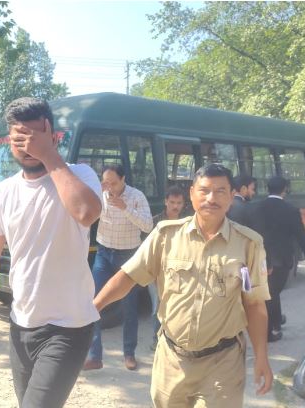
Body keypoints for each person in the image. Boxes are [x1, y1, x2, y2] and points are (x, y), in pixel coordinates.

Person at [0, 97, 102, 408]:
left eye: (35, 136)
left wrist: (48, 154)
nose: (28, 146)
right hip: (21, 325)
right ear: (9, 141)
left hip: (68, 326)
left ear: (52, 135)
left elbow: (86, 213)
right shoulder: (3, 192)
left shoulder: (80, 175)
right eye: (20, 138)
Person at [91, 163, 272, 407]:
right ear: (192, 194)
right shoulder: (166, 235)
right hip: (172, 360)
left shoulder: (249, 245)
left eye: (220, 191)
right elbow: (128, 276)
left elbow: (254, 304)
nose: (211, 198)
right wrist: (92, 309)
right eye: (204, 190)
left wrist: (262, 357)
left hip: (223, 363)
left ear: (231, 196)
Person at [83, 164, 152, 372]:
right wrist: (97, 193)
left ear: (123, 179)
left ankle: (129, 354)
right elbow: (86, 214)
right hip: (104, 253)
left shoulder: (136, 196)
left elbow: (148, 226)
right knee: (93, 303)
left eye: (113, 183)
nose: (109, 187)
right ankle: (94, 355)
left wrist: (125, 208)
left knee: (129, 307)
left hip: (128, 256)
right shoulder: (100, 194)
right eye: (106, 182)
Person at [254, 176, 305, 342]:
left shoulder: (257, 207)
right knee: (272, 292)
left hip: (261, 256)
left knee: (271, 291)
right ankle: (270, 329)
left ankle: (277, 320)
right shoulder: (290, 209)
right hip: (282, 257)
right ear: (284, 190)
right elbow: (300, 233)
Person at [147, 185, 186, 351]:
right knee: (158, 306)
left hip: (180, 270)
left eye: (179, 203)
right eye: (172, 202)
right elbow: (148, 249)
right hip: (157, 270)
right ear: (165, 202)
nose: (175, 206)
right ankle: (156, 340)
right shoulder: (155, 222)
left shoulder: (187, 222)